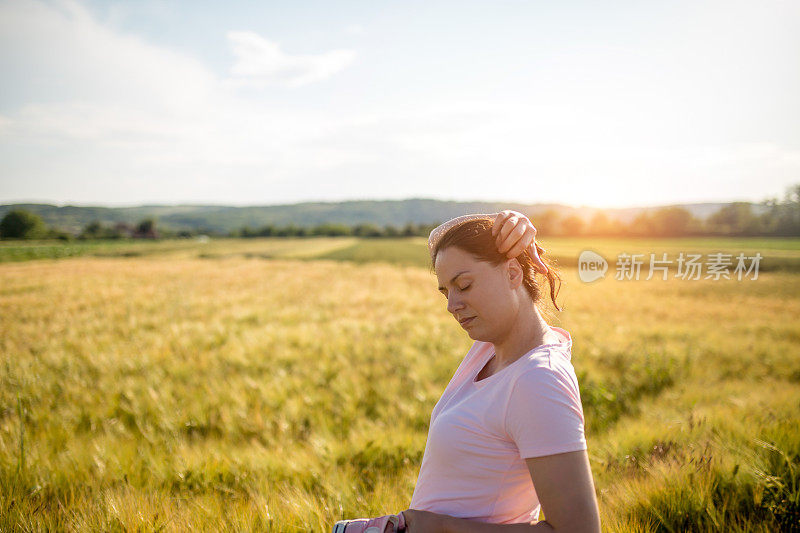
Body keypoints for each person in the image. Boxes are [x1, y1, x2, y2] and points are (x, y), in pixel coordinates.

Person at [335, 211, 600, 533]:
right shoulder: (492, 349)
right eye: (446, 292)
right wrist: (506, 223)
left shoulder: (537, 379)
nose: (452, 305)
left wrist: (441, 527)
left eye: (464, 285)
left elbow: (580, 530)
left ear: (513, 274)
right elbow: (439, 238)